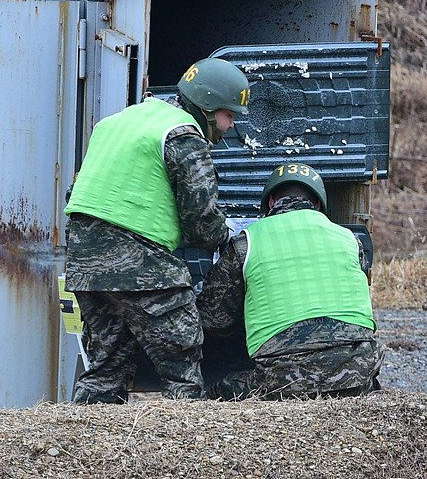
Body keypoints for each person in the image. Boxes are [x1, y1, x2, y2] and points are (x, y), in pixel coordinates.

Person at [63, 57, 250, 404]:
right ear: (208, 106)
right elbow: (202, 222)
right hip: (136, 257)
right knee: (182, 356)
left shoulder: (121, 120)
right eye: (230, 114)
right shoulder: (183, 135)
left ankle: (84, 445)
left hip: (83, 259)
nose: (230, 125)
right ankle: (186, 445)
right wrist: (230, 239)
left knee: (106, 368)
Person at [197, 162, 383, 400]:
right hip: (358, 378)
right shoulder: (349, 240)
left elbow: (213, 320)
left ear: (271, 202)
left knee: (214, 392)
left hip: (284, 384)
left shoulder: (246, 243)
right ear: (317, 205)